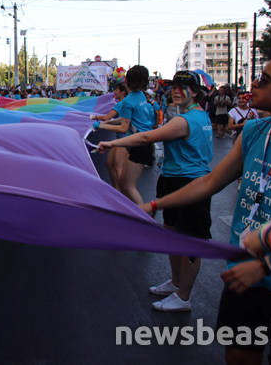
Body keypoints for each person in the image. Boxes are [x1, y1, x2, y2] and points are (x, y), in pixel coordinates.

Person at [140, 48, 271, 364]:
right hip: (241, 272)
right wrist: (154, 203)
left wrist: (266, 264)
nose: (252, 83)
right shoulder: (254, 132)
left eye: (264, 79)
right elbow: (210, 183)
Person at [99, 71, 213, 312]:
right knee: (172, 234)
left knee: (190, 240)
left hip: (189, 183)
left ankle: (184, 297)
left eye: (182, 87)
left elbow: (148, 137)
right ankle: (176, 281)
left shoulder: (186, 121)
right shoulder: (197, 116)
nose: (175, 91)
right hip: (172, 178)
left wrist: (112, 142)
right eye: (173, 87)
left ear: (195, 92)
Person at [94, 65, 156, 204]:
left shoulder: (128, 102)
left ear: (127, 81)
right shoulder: (142, 96)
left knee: (127, 185)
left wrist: (101, 125)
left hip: (138, 144)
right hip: (142, 141)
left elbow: (123, 127)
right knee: (113, 168)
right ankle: (123, 204)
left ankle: (145, 215)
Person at [91, 83, 129, 188]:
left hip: (124, 138)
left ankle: (123, 193)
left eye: (116, 90)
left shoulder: (122, 104)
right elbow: (119, 120)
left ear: (123, 92)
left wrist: (95, 118)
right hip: (121, 137)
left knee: (118, 167)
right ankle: (116, 189)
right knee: (109, 163)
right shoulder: (122, 103)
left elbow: (108, 117)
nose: (114, 92)